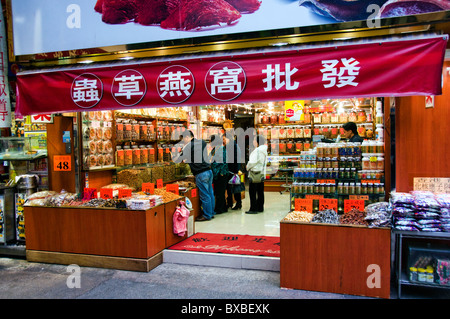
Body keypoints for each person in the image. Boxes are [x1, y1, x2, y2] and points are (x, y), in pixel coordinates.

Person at [173, 130, 215, 221]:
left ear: (187, 137)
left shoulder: (188, 146)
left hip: (201, 173)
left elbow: (179, 159)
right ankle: (211, 213)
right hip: (209, 170)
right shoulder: (202, 142)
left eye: (184, 139)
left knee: (204, 195)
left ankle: (207, 215)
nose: (184, 141)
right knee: (210, 193)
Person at [245, 135, 268, 214]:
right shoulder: (264, 151)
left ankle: (253, 208)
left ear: (258, 142)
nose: (253, 142)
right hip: (261, 173)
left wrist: (247, 167)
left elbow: (252, 162)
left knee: (252, 192)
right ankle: (260, 207)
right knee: (260, 192)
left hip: (254, 174)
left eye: (254, 140)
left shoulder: (257, 151)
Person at [210, 134, 229, 214]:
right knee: (219, 192)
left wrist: (221, 172)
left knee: (220, 192)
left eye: (211, 141)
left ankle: (219, 209)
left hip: (221, 174)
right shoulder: (215, 149)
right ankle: (223, 207)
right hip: (217, 174)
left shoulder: (220, 149)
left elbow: (224, 162)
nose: (210, 142)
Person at [224, 132, 243, 210]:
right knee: (230, 187)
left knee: (234, 187)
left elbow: (236, 159)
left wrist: (236, 171)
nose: (223, 141)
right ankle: (230, 203)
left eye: (224, 139)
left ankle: (238, 203)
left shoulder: (233, 146)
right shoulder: (230, 145)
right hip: (230, 170)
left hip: (233, 170)